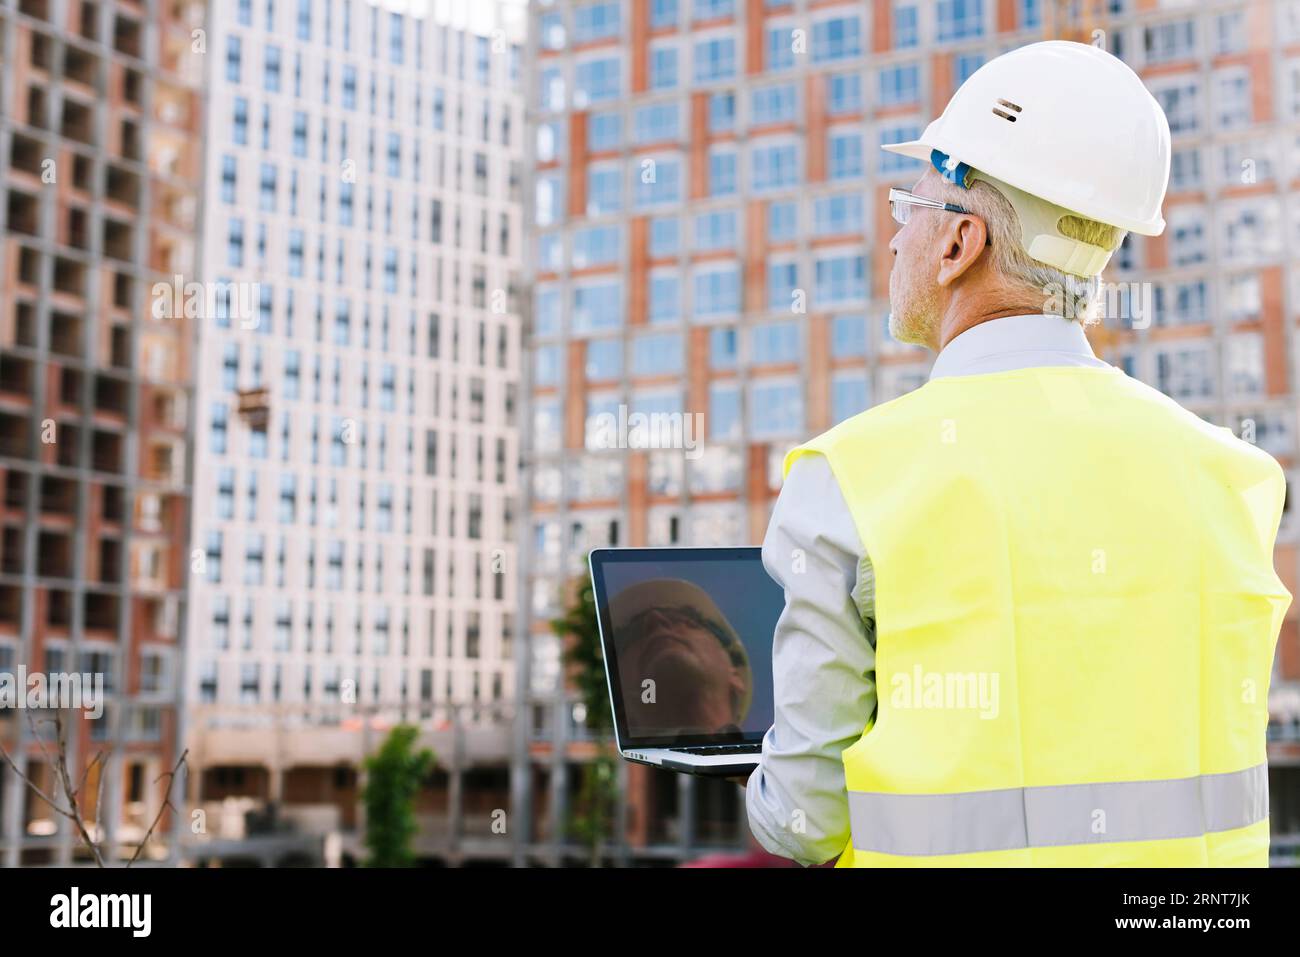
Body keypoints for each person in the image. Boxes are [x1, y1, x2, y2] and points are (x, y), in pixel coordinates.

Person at [742, 40, 1291, 867]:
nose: (894, 243)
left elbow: (804, 820)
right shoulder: (1235, 475)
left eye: (907, 209)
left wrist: (747, 778)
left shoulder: (851, 479)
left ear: (961, 243)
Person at [610, 579, 753, 736]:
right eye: (633, 633)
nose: (655, 619)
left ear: (735, 676)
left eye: (685, 620)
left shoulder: (775, 758)